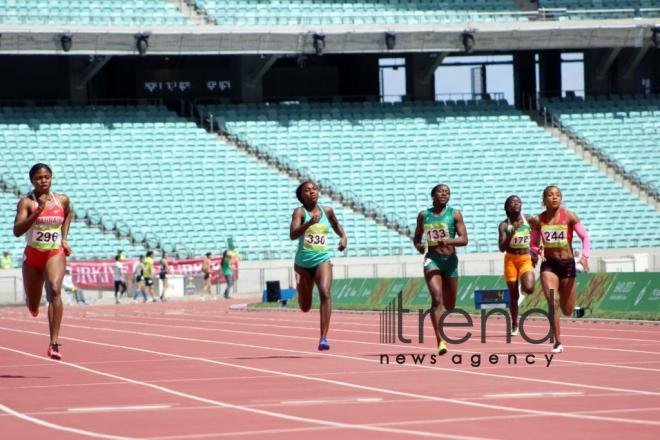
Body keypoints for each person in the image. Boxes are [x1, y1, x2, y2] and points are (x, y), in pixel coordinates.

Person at [13, 163, 73, 360]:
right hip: (33, 256)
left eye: (47, 177)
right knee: (32, 303)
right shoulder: (27, 203)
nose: (44, 180)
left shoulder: (62, 200)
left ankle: (54, 343)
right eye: (39, 178)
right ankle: (33, 306)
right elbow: (17, 231)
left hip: (54, 253)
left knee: (55, 289)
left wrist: (64, 239)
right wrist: (38, 212)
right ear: (32, 181)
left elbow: (68, 214)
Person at [530, 185, 591, 354]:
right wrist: (538, 251)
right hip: (549, 265)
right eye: (550, 195)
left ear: (561, 198)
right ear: (544, 200)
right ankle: (557, 341)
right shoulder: (539, 220)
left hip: (567, 265)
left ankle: (571, 308)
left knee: (567, 309)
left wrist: (584, 257)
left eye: (557, 195)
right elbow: (533, 244)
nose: (554, 197)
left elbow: (585, 237)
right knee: (552, 301)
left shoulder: (569, 216)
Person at [290, 181, 347, 351]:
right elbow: (293, 235)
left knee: (325, 292)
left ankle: (323, 337)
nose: (312, 192)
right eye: (307, 190)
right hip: (302, 264)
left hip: (322, 259)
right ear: (301, 196)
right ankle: (301, 290)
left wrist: (343, 237)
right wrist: (309, 223)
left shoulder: (327, 211)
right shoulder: (299, 212)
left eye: (314, 189)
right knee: (305, 307)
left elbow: (336, 225)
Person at [413, 184, 468, 355]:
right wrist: (419, 246)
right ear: (433, 195)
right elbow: (416, 238)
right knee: (436, 299)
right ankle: (440, 341)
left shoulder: (454, 214)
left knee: (450, 305)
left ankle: (443, 315)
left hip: (450, 261)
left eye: (447, 192)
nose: (444, 194)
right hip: (432, 260)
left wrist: (449, 241)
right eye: (441, 192)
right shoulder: (424, 215)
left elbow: (464, 239)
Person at [498, 195, 537, 336]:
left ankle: (524, 282)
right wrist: (511, 233)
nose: (516, 203)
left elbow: (540, 234)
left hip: (525, 258)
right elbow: (502, 247)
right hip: (510, 260)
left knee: (530, 288)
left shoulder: (529, 219)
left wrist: (536, 251)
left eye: (518, 201)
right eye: (512, 202)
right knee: (513, 296)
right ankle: (514, 323)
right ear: (507, 207)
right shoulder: (504, 225)